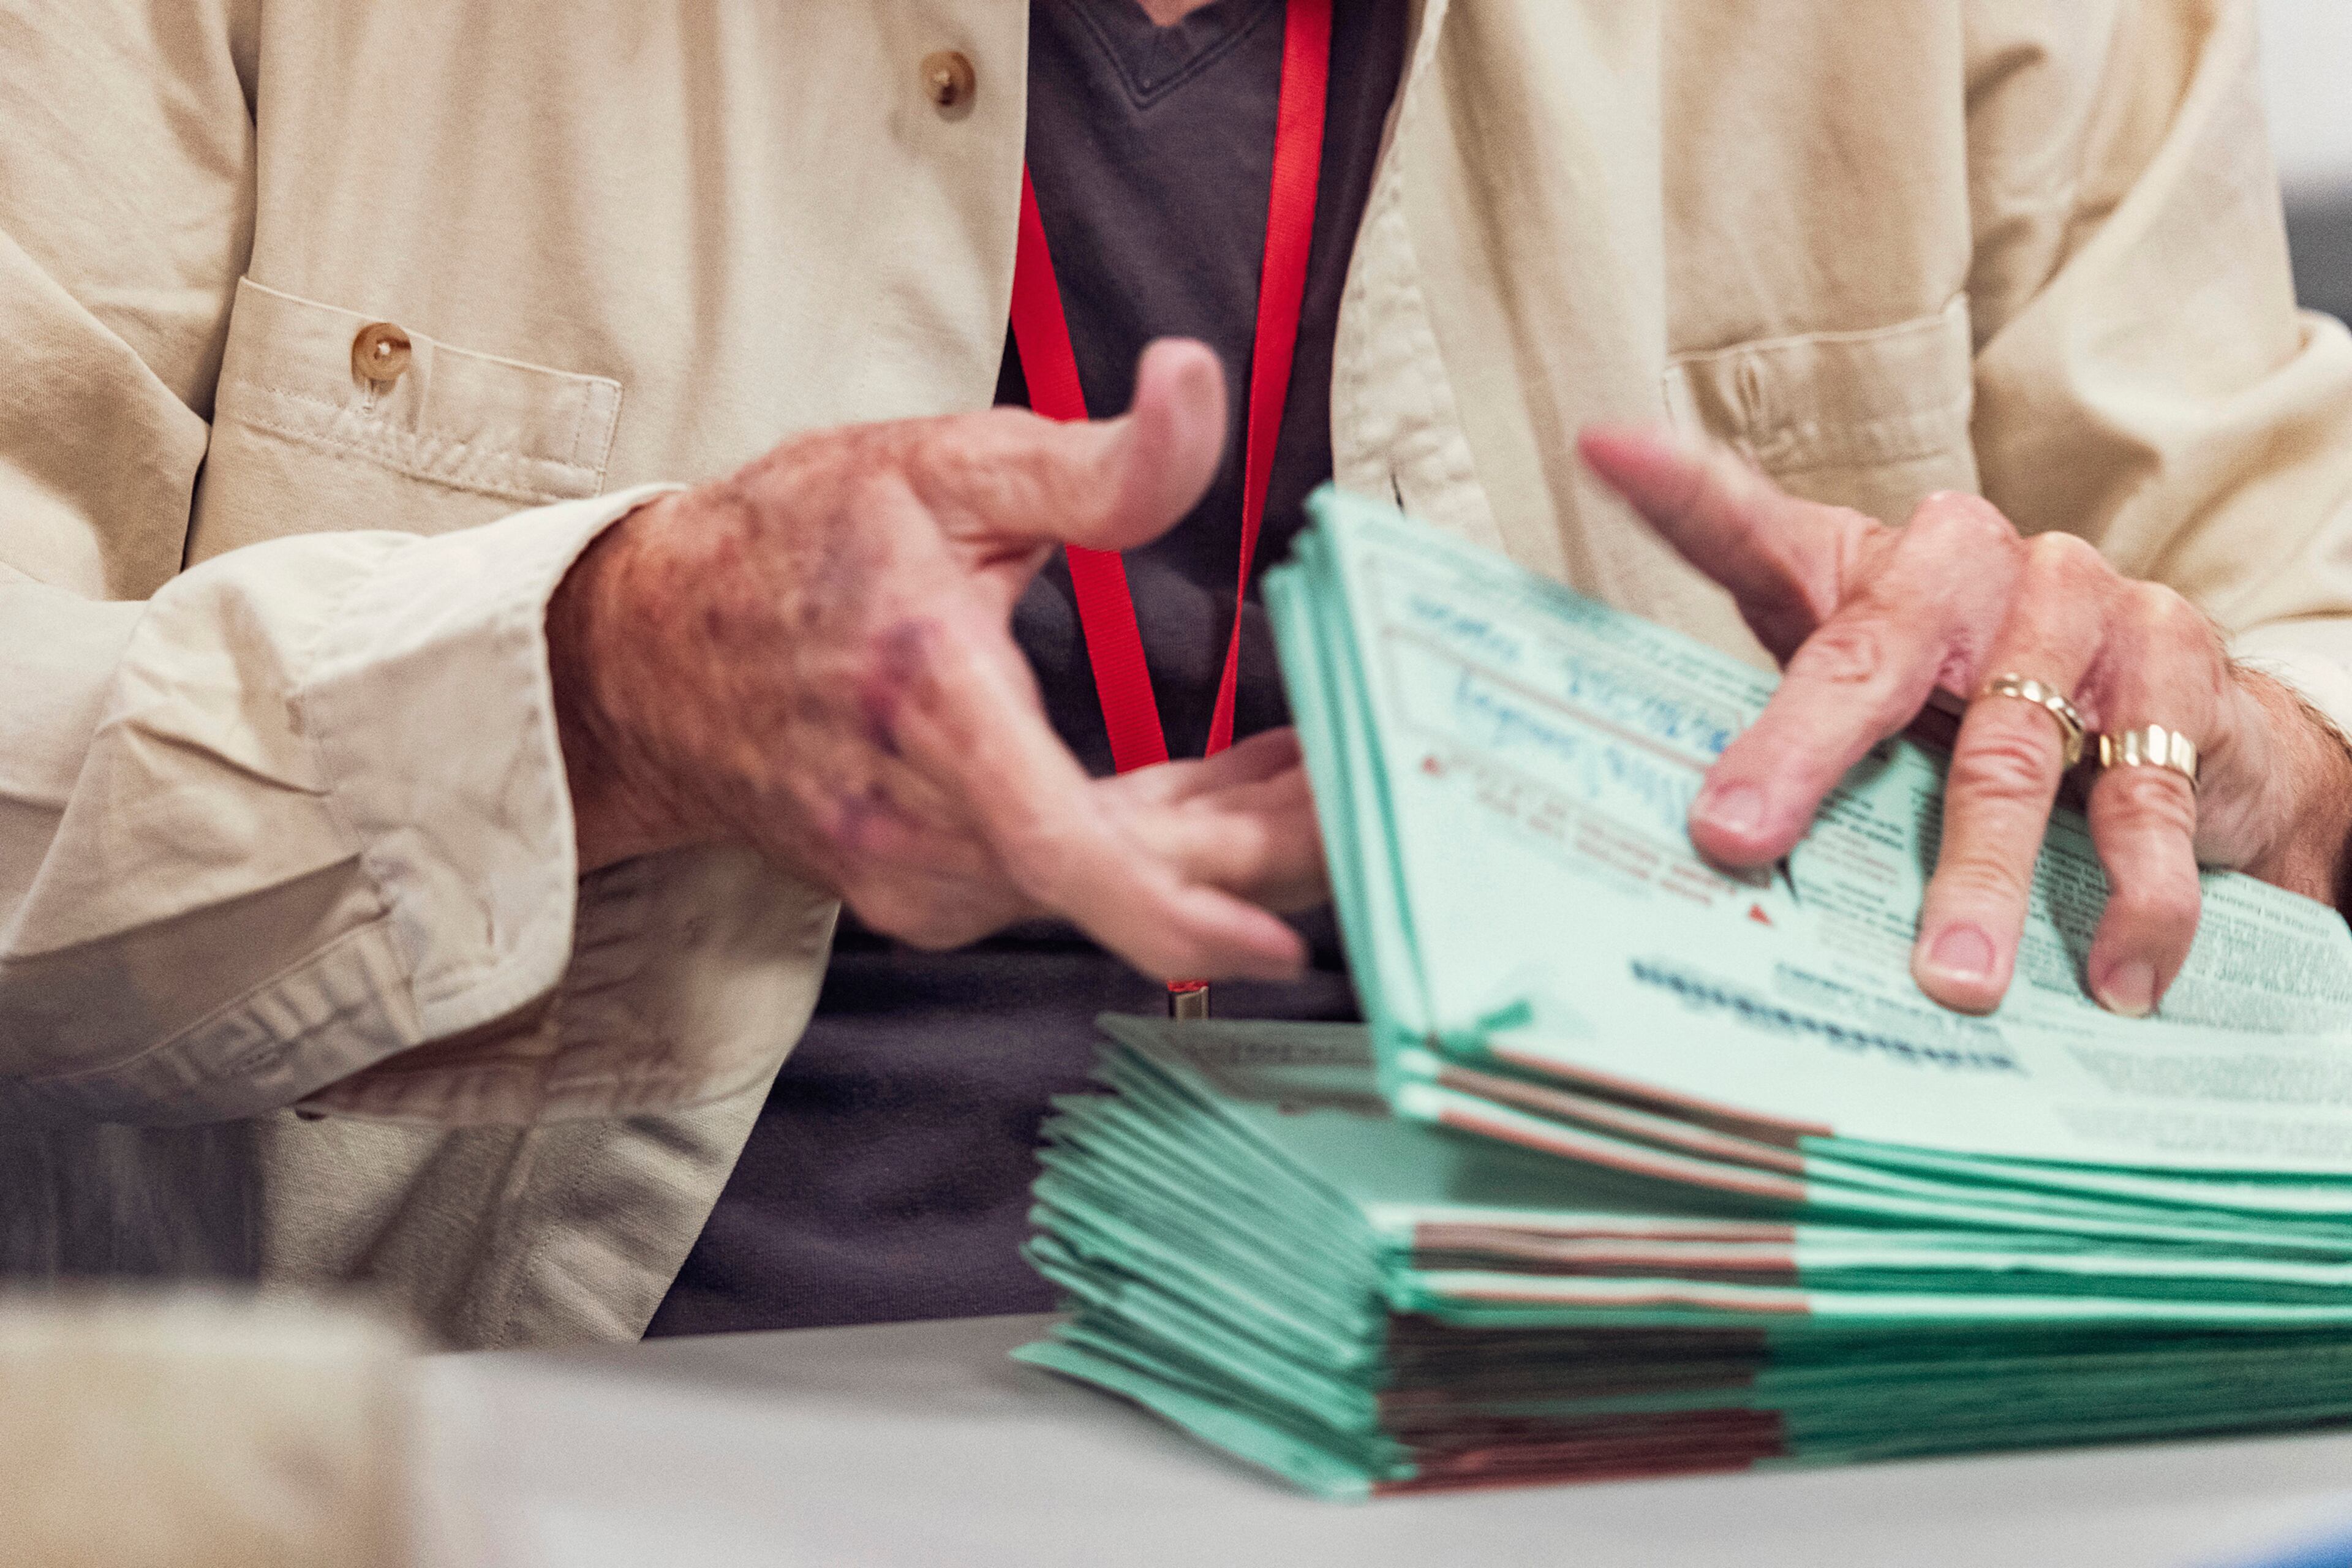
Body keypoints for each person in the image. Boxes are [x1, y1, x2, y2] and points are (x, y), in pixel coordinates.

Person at [7, 0, 2352, 1348]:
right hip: (553, 1445)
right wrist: (603, 681)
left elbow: (2297, 630)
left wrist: (2239, 751)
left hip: (1696, 1417)